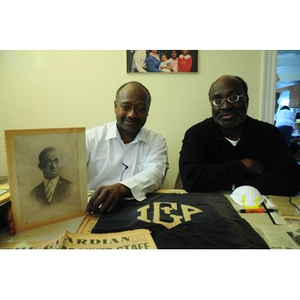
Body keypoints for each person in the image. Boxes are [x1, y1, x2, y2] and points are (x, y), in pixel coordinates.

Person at [179, 75, 300, 196]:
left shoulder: (269, 134)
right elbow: (191, 180)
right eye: (217, 101)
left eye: (233, 98)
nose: (225, 106)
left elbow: (291, 181)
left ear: (246, 100)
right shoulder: (196, 135)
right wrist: (246, 165)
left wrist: (233, 185)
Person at [86, 81, 169, 214]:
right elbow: (72, 175)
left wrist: (121, 188)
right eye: (126, 107)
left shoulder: (156, 141)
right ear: (115, 106)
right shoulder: (90, 138)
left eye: (141, 109)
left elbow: (155, 173)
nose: (132, 114)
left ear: (148, 111)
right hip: (94, 210)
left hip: (137, 212)